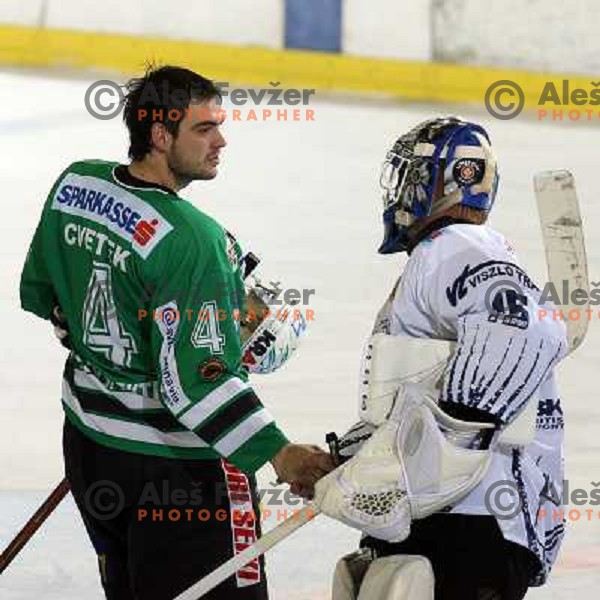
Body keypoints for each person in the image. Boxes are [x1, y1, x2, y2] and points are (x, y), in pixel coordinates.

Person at [20, 65, 332, 600]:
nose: (221, 141)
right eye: (204, 129)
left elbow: (48, 297)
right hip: (177, 473)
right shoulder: (195, 242)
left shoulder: (76, 184)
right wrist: (281, 454)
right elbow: (200, 383)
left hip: (92, 449)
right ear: (160, 136)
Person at [315, 116, 567, 600]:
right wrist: (348, 460)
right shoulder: (440, 256)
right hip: (444, 518)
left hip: (470, 520)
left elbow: (525, 328)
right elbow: (418, 397)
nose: (400, 189)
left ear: (446, 180)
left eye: (409, 174)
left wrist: (449, 441)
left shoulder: (455, 245)